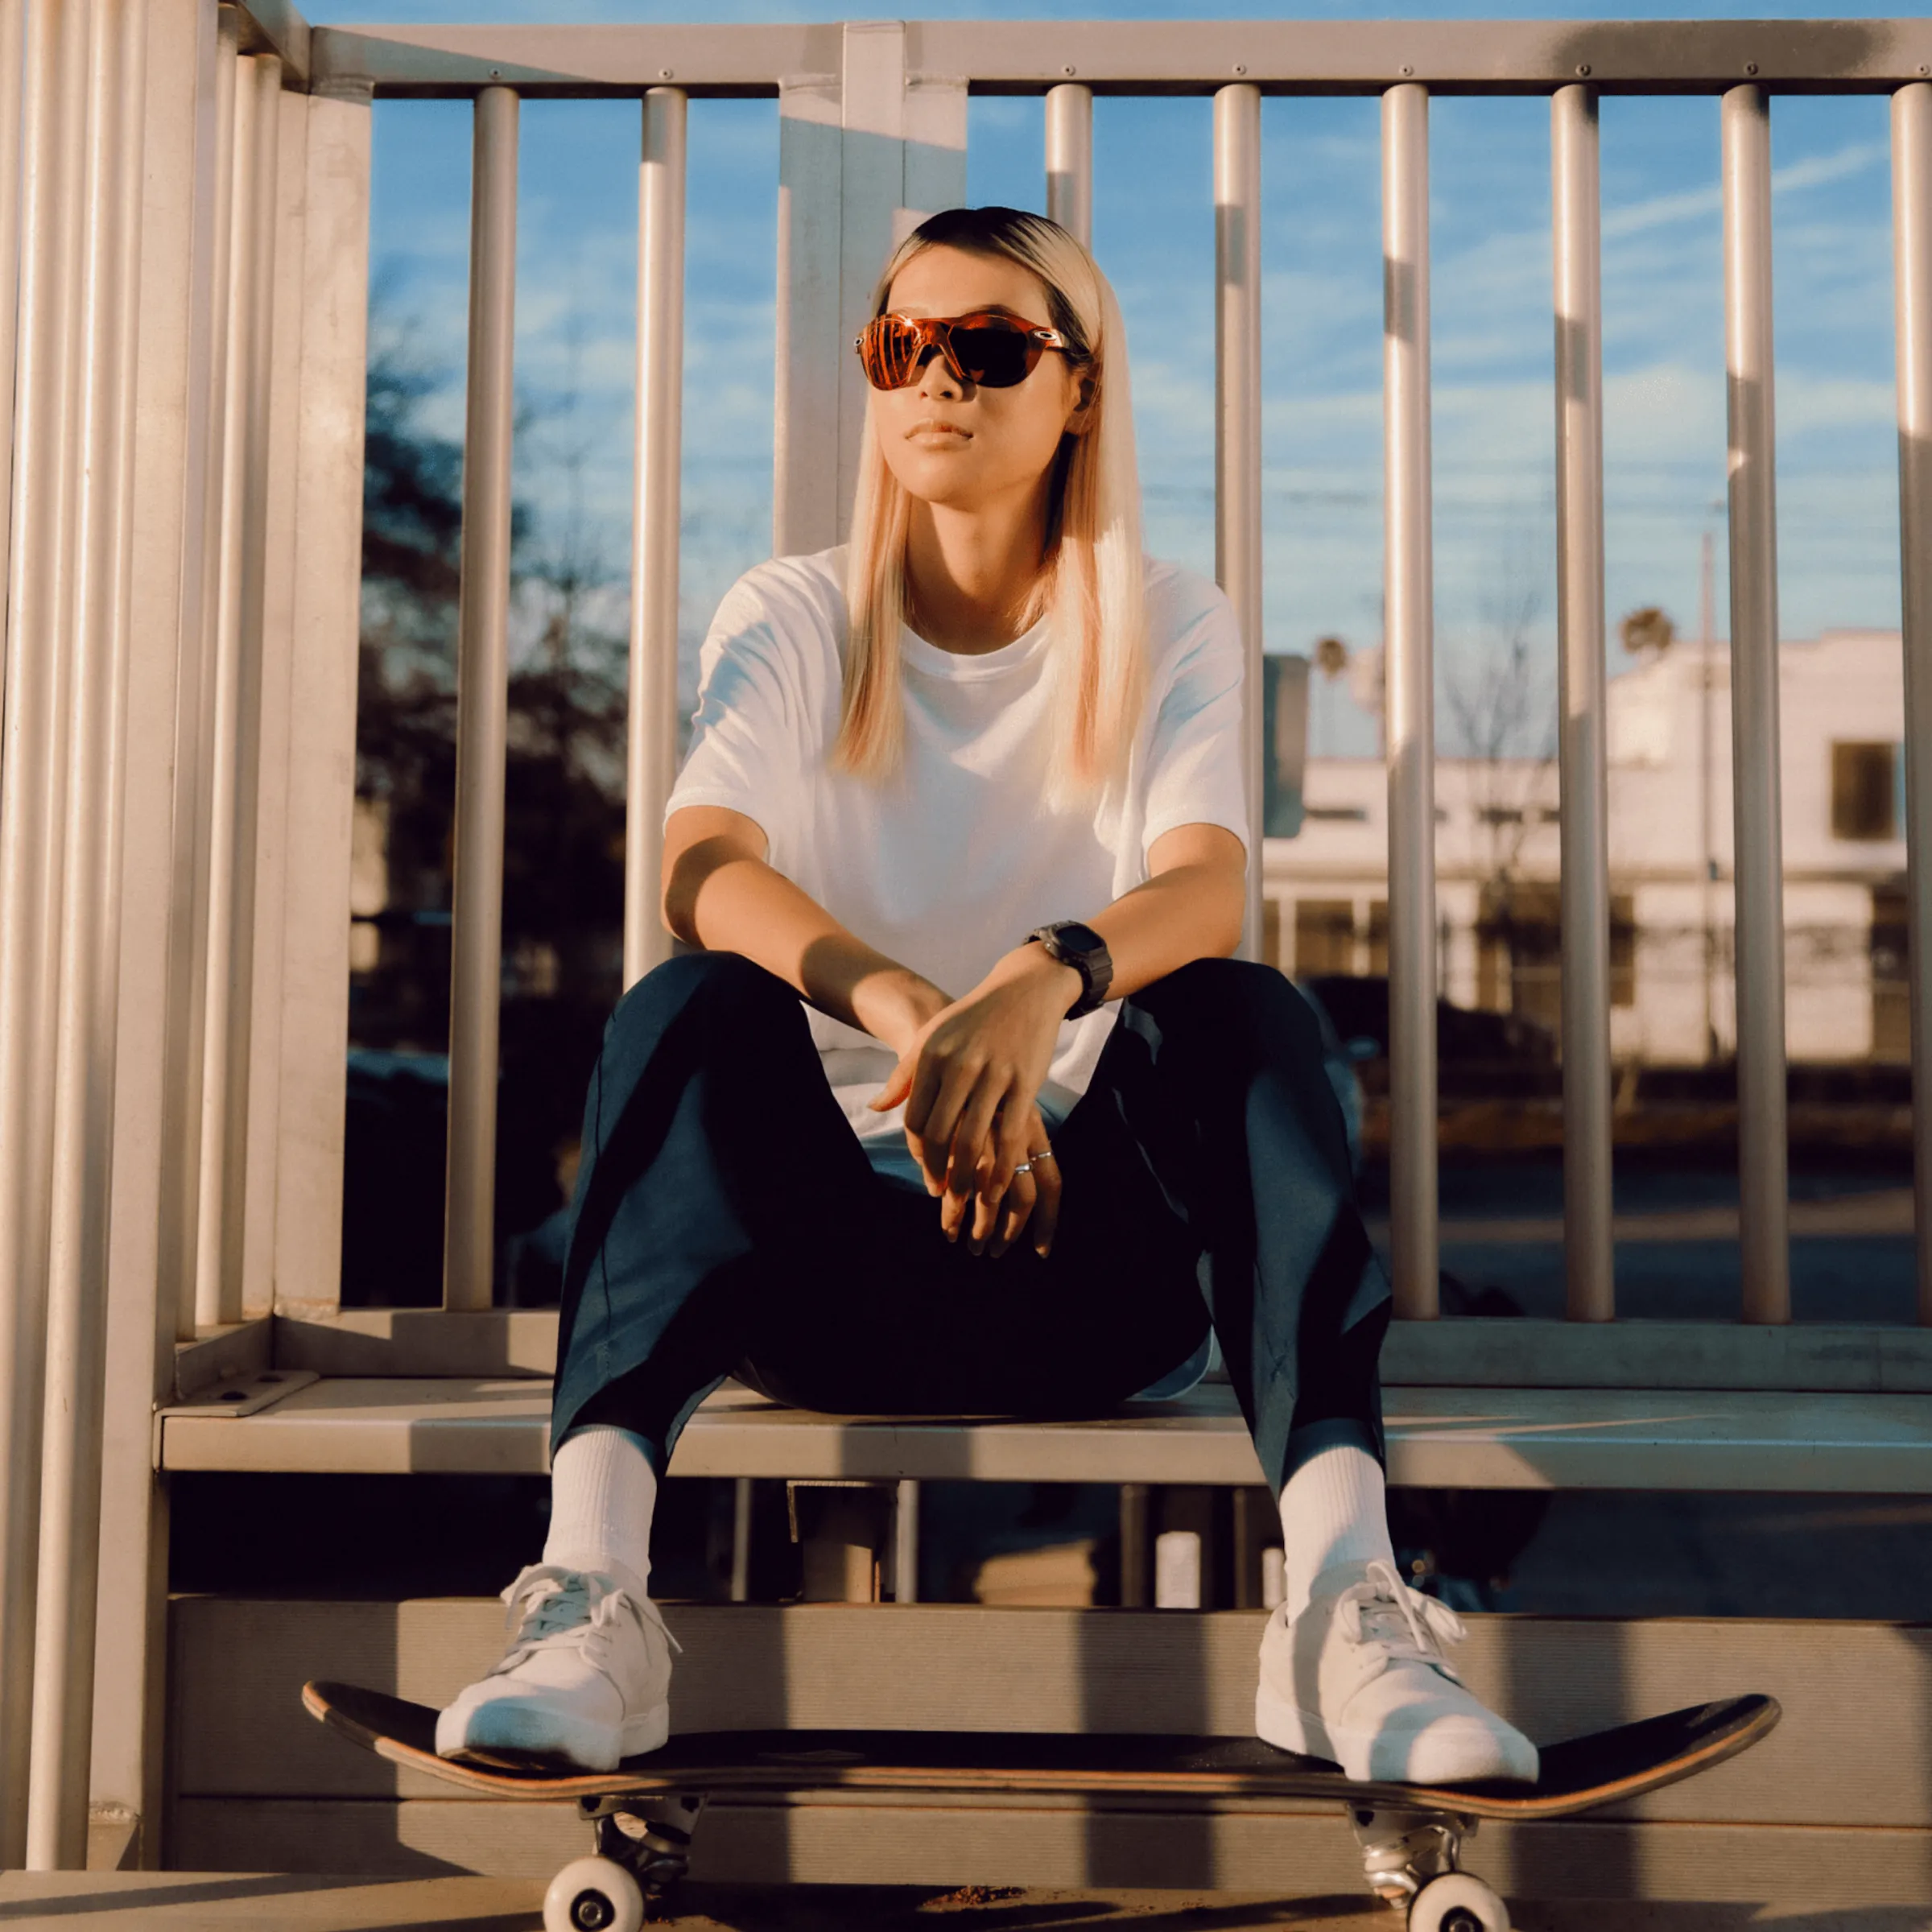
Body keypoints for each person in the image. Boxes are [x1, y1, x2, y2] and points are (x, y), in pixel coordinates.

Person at [436, 206, 1537, 1787]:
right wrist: (909, 1014)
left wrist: (1041, 980)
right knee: (688, 1009)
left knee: (1237, 1012)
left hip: (1091, 1279)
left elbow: (1207, 883)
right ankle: (591, 1598)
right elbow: (701, 865)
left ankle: (1344, 1609)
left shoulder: (1166, 620)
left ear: (1079, 388)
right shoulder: (795, 612)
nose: (937, 378)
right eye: (903, 345)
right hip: (824, 1283)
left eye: (992, 346)